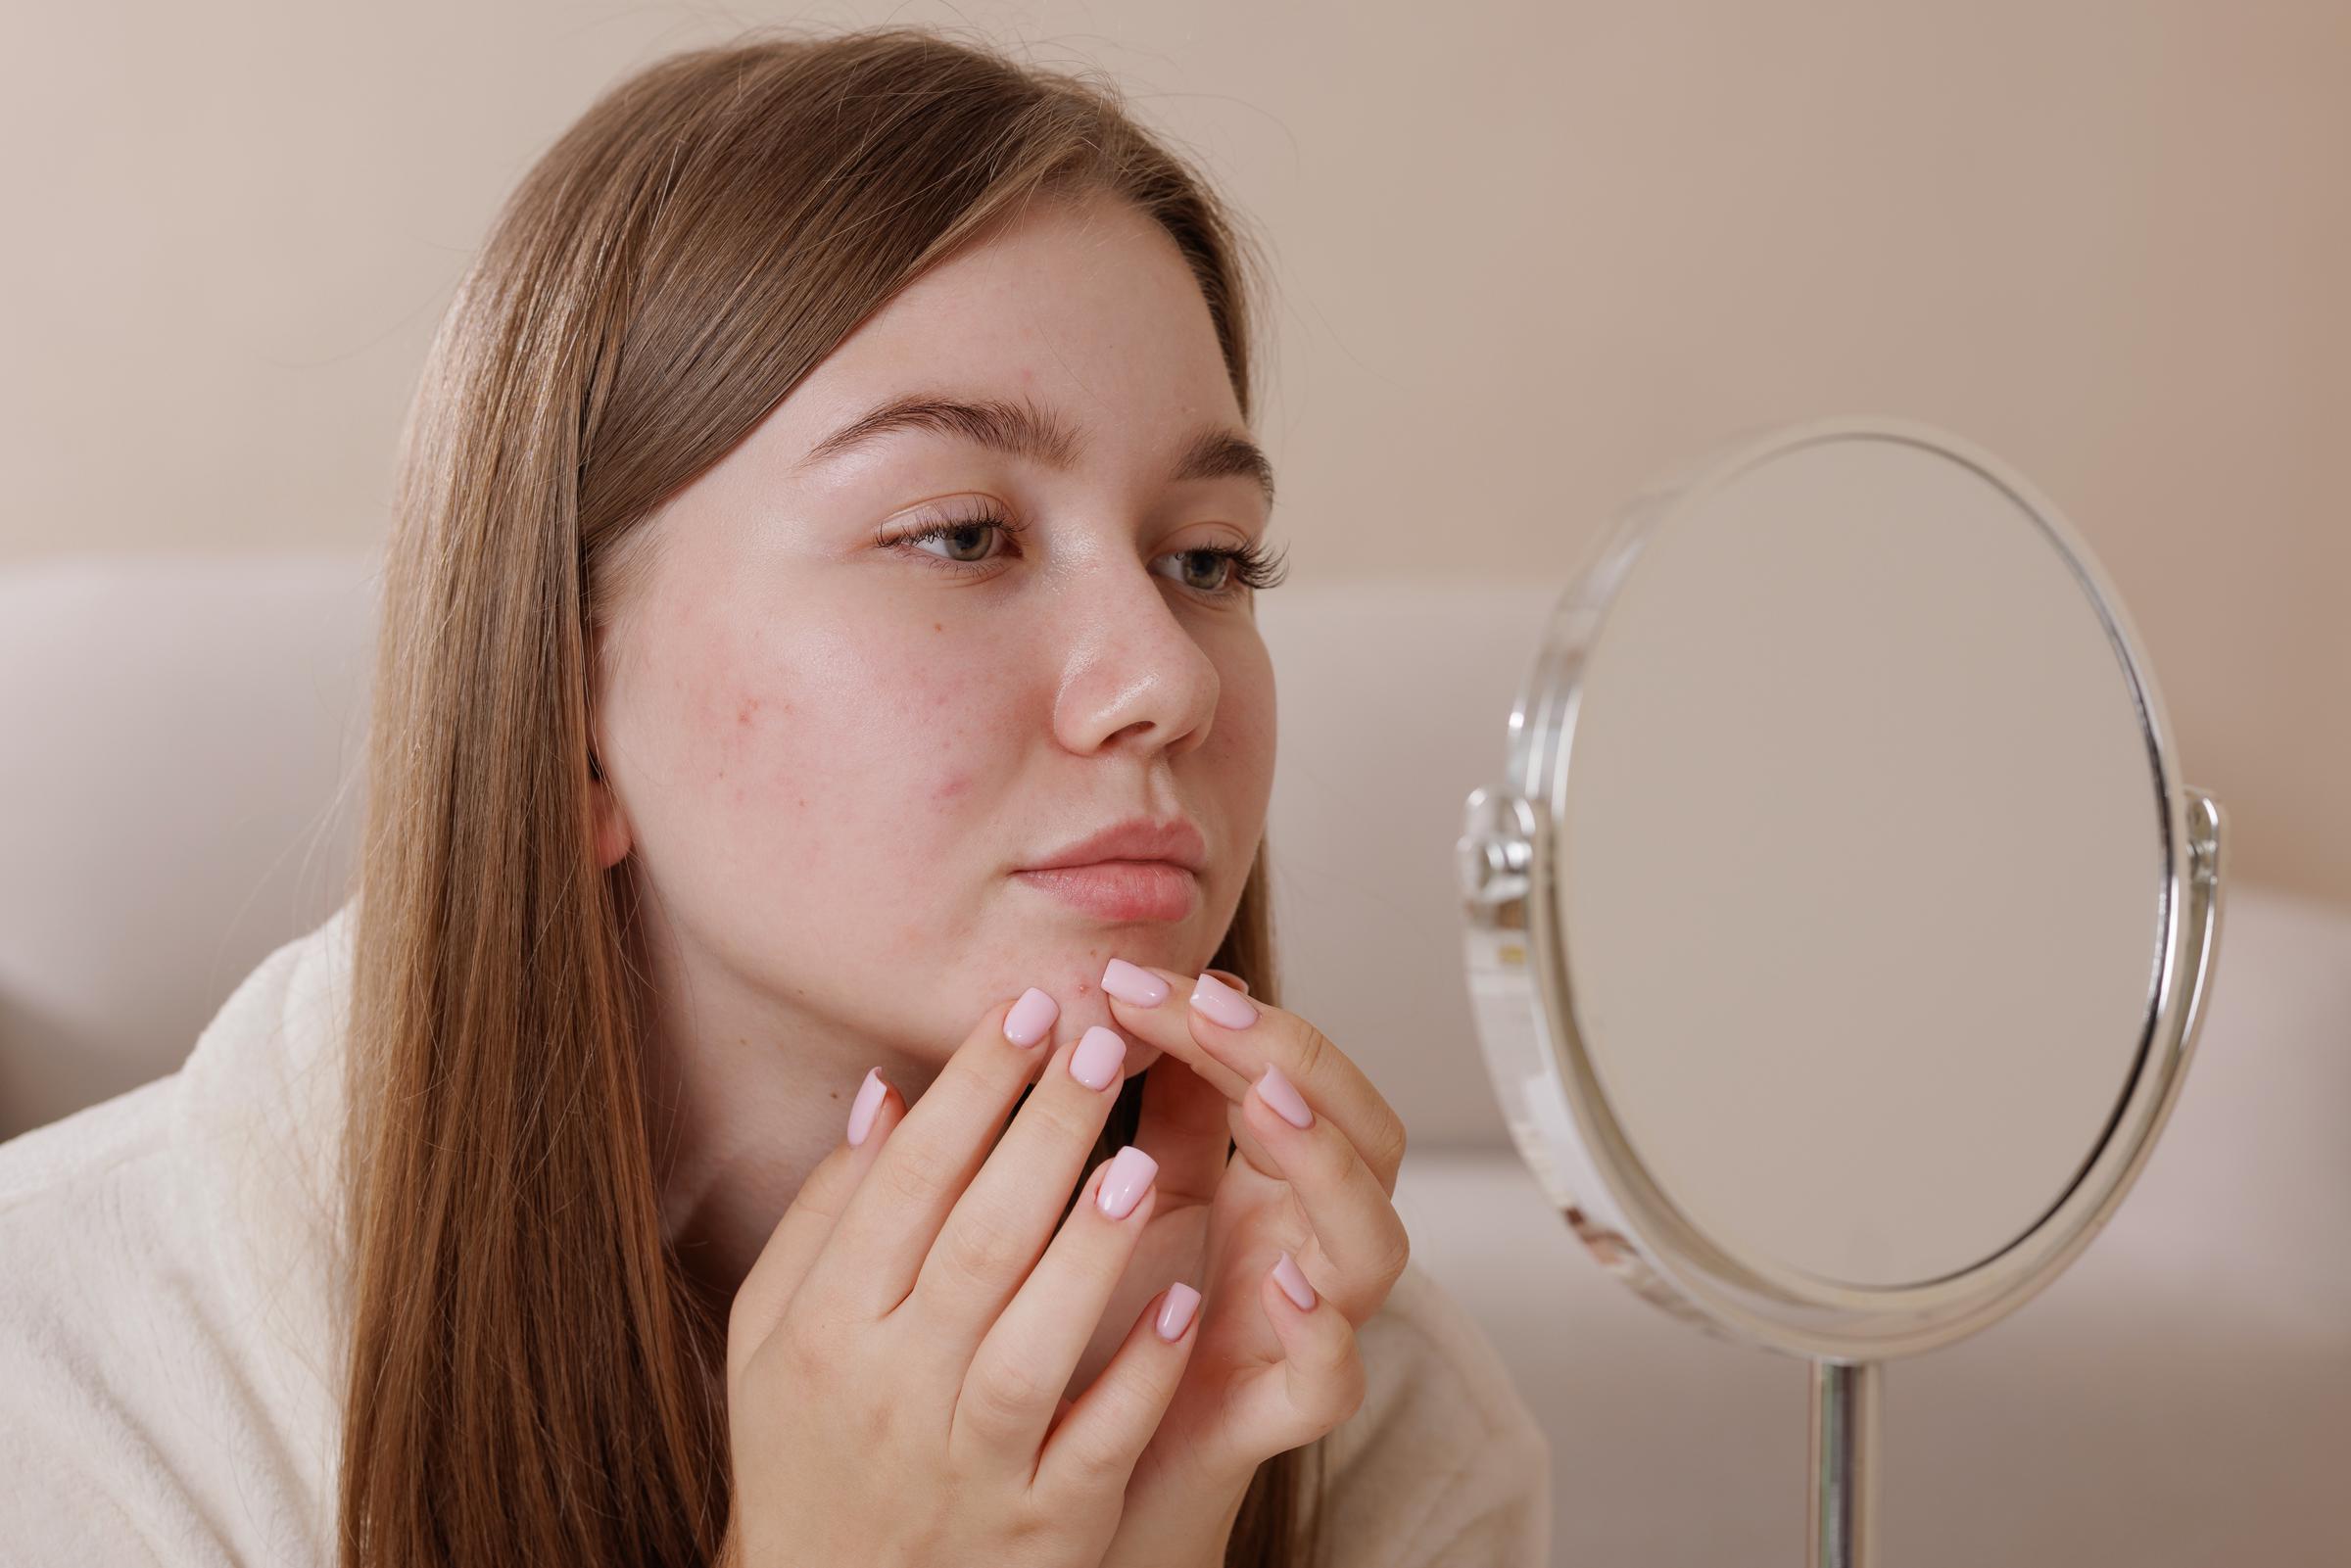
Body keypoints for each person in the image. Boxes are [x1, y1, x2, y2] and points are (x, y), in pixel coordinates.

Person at [0, 24, 1552, 1567]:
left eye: (1208, 559)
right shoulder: (61, 1384)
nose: (1168, 675)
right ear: (572, 713)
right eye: (960, 534)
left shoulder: (1367, 1423)